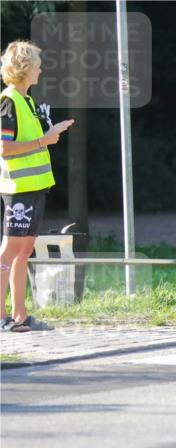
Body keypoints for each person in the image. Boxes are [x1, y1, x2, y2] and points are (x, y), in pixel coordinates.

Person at [1, 40, 73, 332]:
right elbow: (4, 148)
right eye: (38, 64)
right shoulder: (8, 101)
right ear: (25, 67)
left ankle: (20, 316)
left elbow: (28, 143)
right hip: (18, 189)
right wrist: (44, 140)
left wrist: (49, 134)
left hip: (35, 187)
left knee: (25, 249)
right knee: (10, 250)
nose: (41, 69)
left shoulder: (27, 101)